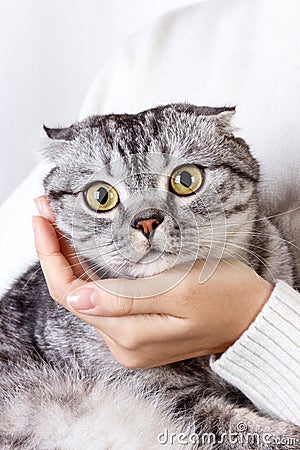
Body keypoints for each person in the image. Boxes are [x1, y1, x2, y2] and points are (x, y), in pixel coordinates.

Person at [1, 0, 300, 426]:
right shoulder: (152, 47)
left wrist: (254, 321)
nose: (146, 224)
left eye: (184, 182)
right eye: (103, 197)